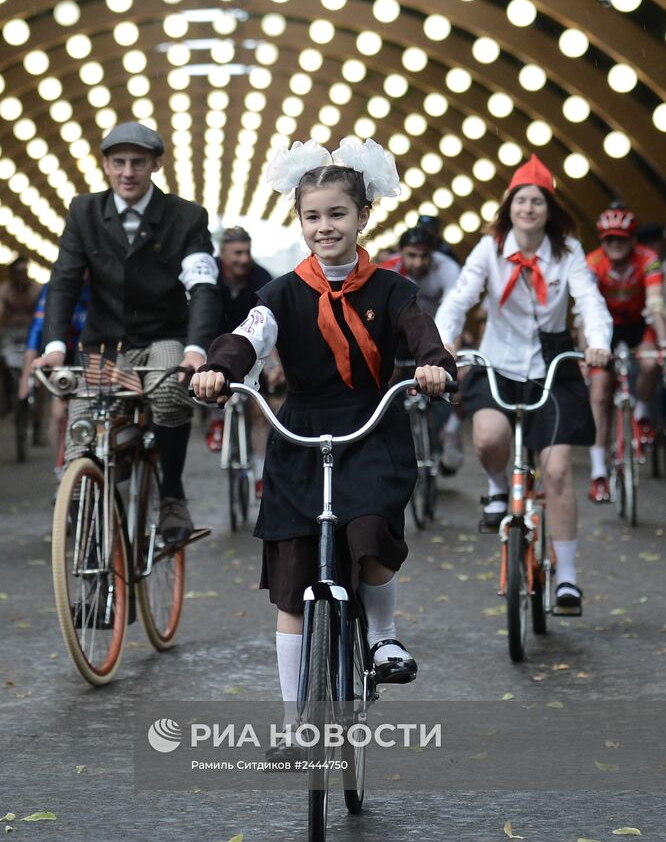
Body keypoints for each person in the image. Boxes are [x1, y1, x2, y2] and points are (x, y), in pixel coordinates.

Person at [192, 137, 456, 736]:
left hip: (371, 424)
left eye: (338, 213)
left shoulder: (393, 290)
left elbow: (422, 337)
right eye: (313, 216)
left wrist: (435, 366)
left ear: (364, 216)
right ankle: (292, 720)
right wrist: (218, 368)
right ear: (300, 221)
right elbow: (247, 337)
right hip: (300, 429)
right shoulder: (281, 292)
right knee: (292, 579)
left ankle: (384, 640)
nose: (325, 226)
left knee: (369, 531)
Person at [436, 153, 612, 615]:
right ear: (509, 206)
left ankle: (568, 579)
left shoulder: (568, 252)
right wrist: (444, 344)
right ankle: (498, 490)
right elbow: (459, 298)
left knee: (555, 473)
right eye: (521, 200)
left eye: (537, 201)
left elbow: (590, 301)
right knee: (488, 437)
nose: (528, 208)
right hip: (498, 361)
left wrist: (597, 343)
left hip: (553, 364)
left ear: (549, 208)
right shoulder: (489, 248)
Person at [35, 121, 220, 544]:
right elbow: (64, 280)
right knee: (84, 432)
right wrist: (55, 347)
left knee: (171, 392)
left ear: (156, 164)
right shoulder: (84, 211)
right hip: (105, 344)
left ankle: (172, 495)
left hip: (164, 337)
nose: (128, 172)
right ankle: (89, 557)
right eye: (118, 162)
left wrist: (195, 350)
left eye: (138, 162)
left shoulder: (186, 216)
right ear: (104, 165)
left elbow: (204, 286)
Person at [584, 207, 666, 501]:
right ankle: (598, 473)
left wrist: (664, 343)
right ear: (601, 241)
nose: (614, 244)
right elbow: (584, 312)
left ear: (633, 240)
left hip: (639, 324)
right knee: (601, 391)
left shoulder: (649, 260)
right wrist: (586, 351)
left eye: (621, 239)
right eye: (608, 239)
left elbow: (656, 306)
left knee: (649, 361)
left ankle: (642, 412)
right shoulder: (592, 263)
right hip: (603, 329)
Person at [206, 227, 281, 494]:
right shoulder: (210, 273)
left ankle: (260, 472)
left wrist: (276, 363)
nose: (243, 259)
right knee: (204, 384)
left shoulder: (261, 277)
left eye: (247, 252)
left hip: (252, 350)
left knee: (260, 411)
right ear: (223, 254)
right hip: (213, 346)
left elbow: (273, 324)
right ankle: (213, 419)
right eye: (237, 253)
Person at [382, 225, 464, 472]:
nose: (418, 262)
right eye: (411, 255)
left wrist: (452, 352)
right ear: (400, 253)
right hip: (399, 336)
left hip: (440, 334)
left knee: (462, 377)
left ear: (433, 253)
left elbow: (456, 309)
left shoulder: (447, 268)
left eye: (424, 256)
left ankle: (450, 431)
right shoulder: (388, 271)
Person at [19, 279, 89, 462]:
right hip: (60, 354)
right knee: (58, 414)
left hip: (92, 352)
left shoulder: (102, 282)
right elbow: (36, 330)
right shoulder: (53, 288)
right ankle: (61, 468)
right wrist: (26, 376)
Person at [0, 256, 41, 414]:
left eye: (25, 271)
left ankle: (37, 409)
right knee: (3, 363)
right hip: (10, 333)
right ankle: (7, 395)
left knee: (39, 368)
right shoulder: (5, 289)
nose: (23, 275)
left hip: (32, 333)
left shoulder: (36, 290)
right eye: (19, 272)